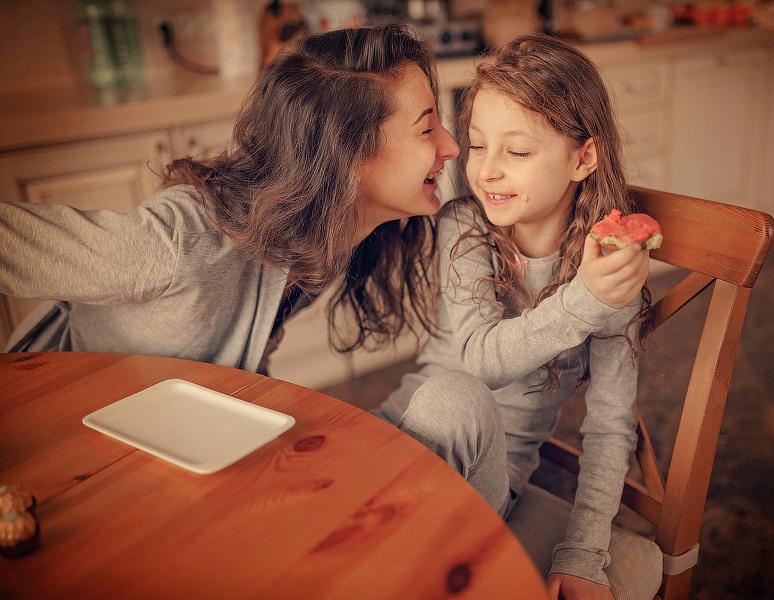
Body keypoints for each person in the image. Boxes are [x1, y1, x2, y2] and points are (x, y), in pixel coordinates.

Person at [0, 24, 459, 372]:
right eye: (426, 129)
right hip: (55, 405)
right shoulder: (182, 242)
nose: (452, 147)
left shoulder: (325, 232)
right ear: (346, 155)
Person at [373, 35, 652, 600]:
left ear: (583, 158)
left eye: (518, 153)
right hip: (391, 438)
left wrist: (582, 555)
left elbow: (608, 428)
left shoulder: (607, 271)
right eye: (478, 145)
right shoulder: (466, 225)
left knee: (457, 396)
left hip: (478, 484)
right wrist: (585, 301)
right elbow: (480, 356)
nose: (487, 171)